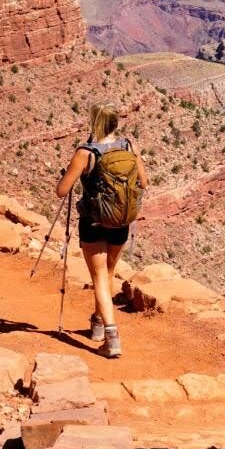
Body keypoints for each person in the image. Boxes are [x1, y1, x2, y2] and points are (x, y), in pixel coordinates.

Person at [56, 102, 148, 358]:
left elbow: (62, 191)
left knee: (98, 279)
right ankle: (97, 324)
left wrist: (70, 175)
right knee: (107, 275)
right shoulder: (129, 146)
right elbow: (144, 182)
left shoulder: (86, 152)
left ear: (94, 124)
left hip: (94, 223)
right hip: (121, 223)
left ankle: (111, 336)